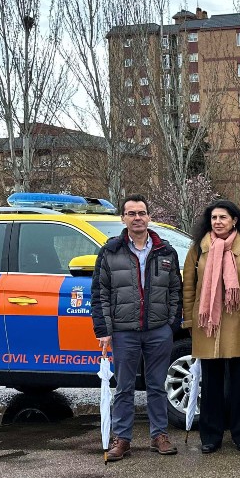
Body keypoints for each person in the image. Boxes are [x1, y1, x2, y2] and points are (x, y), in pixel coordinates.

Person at [91, 194, 183, 462]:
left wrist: (171, 323)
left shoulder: (166, 251)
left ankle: (159, 436)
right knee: (124, 387)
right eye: (131, 213)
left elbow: (175, 290)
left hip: (158, 330)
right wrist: (104, 330)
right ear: (123, 218)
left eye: (141, 213)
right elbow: (100, 292)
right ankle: (122, 439)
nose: (137, 218)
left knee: (157, 385)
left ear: (149, 217)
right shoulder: (110, 251)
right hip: (124, 331)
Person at [182, 200, 240, 454]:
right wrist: (189, 320)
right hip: (207, 325)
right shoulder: (199, 248)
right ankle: (211, 436)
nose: (218, 222)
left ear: (234, 220)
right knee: (211, 384)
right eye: (214, 218)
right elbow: (189, 287)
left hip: (239, 325)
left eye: (223, 217)